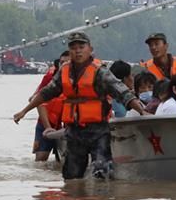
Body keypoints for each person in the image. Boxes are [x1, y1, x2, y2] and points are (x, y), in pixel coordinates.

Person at [13, 32, 144, 180]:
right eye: (73, 47)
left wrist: (142, 111)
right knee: (72, 178)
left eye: (81, 47)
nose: (77, 51)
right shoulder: (64, 70)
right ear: (70, 51)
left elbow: (123, 92)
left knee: (102, 172)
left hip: (98, 130)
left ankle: (103, 199)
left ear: (90, 49)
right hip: (74, 131)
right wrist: (24, 111)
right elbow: (46, 93)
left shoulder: (100, 71)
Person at [32, 51, 70, 161]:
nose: (64, 65)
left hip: (65, 124)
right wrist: (48, 127)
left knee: (63, 159)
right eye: (62, 62)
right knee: (41, 159)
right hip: (46, 122)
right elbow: (39, 102)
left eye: (68, 62)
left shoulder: (78, 79)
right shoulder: (50, 78)